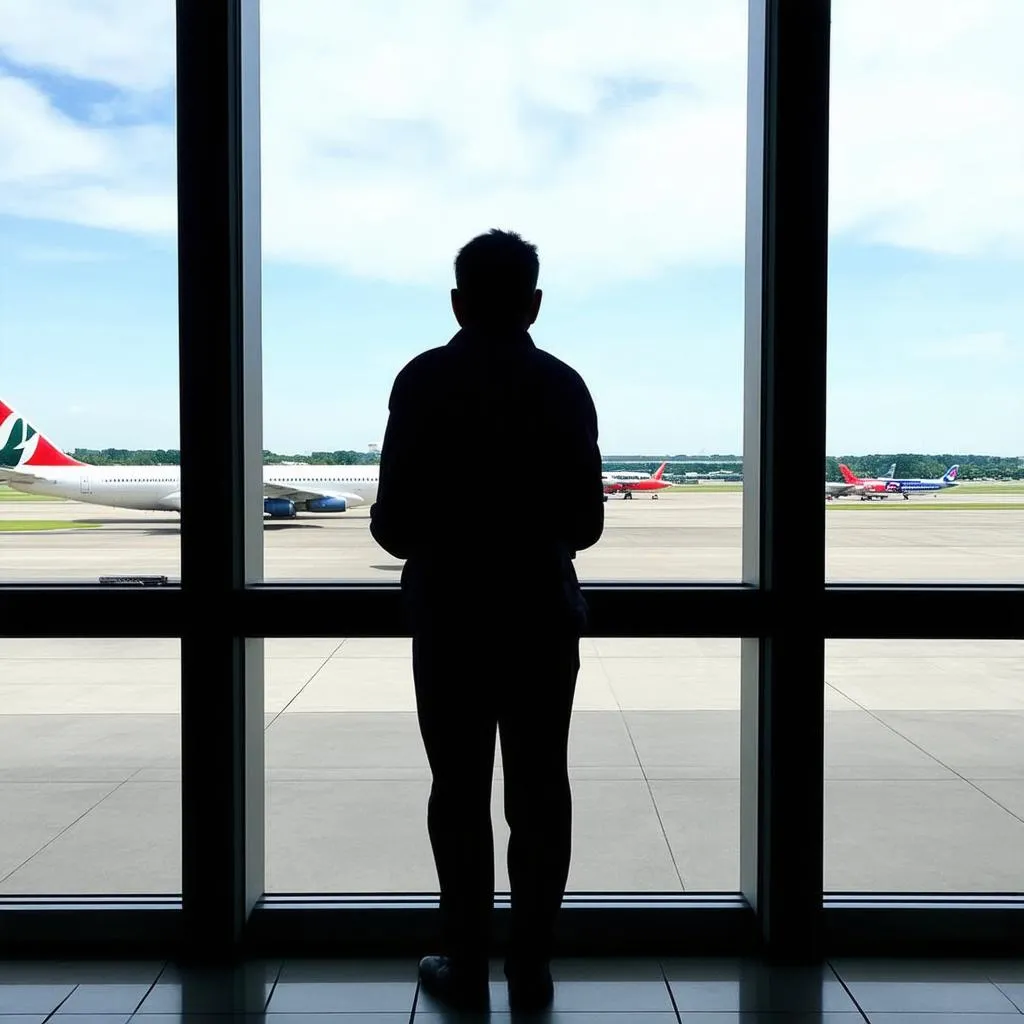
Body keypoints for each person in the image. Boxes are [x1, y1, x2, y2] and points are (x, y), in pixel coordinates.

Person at [369, 229, 604, 1012]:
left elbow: (394, 528)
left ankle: (464, 961)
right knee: (541, 792)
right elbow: (587, 524)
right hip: (540, 614)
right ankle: (531, 967)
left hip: (452, 617)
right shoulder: (564, 386)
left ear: (457, 301)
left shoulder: (425, 380)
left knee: (458, 792)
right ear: (534, 302)